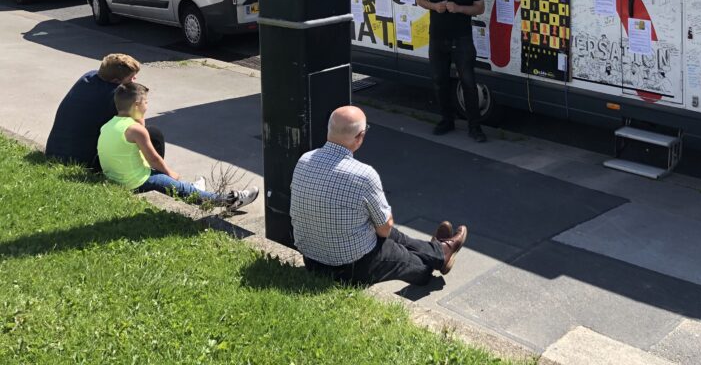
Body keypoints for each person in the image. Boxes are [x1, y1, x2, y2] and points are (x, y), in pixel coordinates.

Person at [290, 105, 468, 286]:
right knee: (410, 261)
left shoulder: (304, 160)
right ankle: (435, 258)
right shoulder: (363, 174)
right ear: (360, 137)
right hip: (350, 266)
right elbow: (384, 229)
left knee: (393, 235)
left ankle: (439, 251)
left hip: (312, 260)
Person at [97, 82, 258, 208]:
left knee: (179, 186)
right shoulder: (136, 130)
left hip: (116, 178)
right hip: (135, 182)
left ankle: (191, 187)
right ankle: (230, 200)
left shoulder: (108, 125)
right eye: (146, 102)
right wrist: (170, 173)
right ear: (137, 105)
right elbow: (153, 159)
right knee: (183, 190)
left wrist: (140, 118)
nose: (147, 105)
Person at [415, 0, 487, 142]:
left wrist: (460, 8)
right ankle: (447, 120)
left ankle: (475, 127)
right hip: (437, 37)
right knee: (439, 81)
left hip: (461, 38)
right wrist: (434, 6)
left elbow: (480, 7)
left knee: (468, 82)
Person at [45, 53, 168, 170]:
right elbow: (140, 125)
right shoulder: (116, 95)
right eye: (131, 77)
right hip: (85, 161)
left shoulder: (88, 77)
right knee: (153, 134)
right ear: (116, 81)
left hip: (53, 151)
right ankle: (153, 173)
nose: (134, 79)